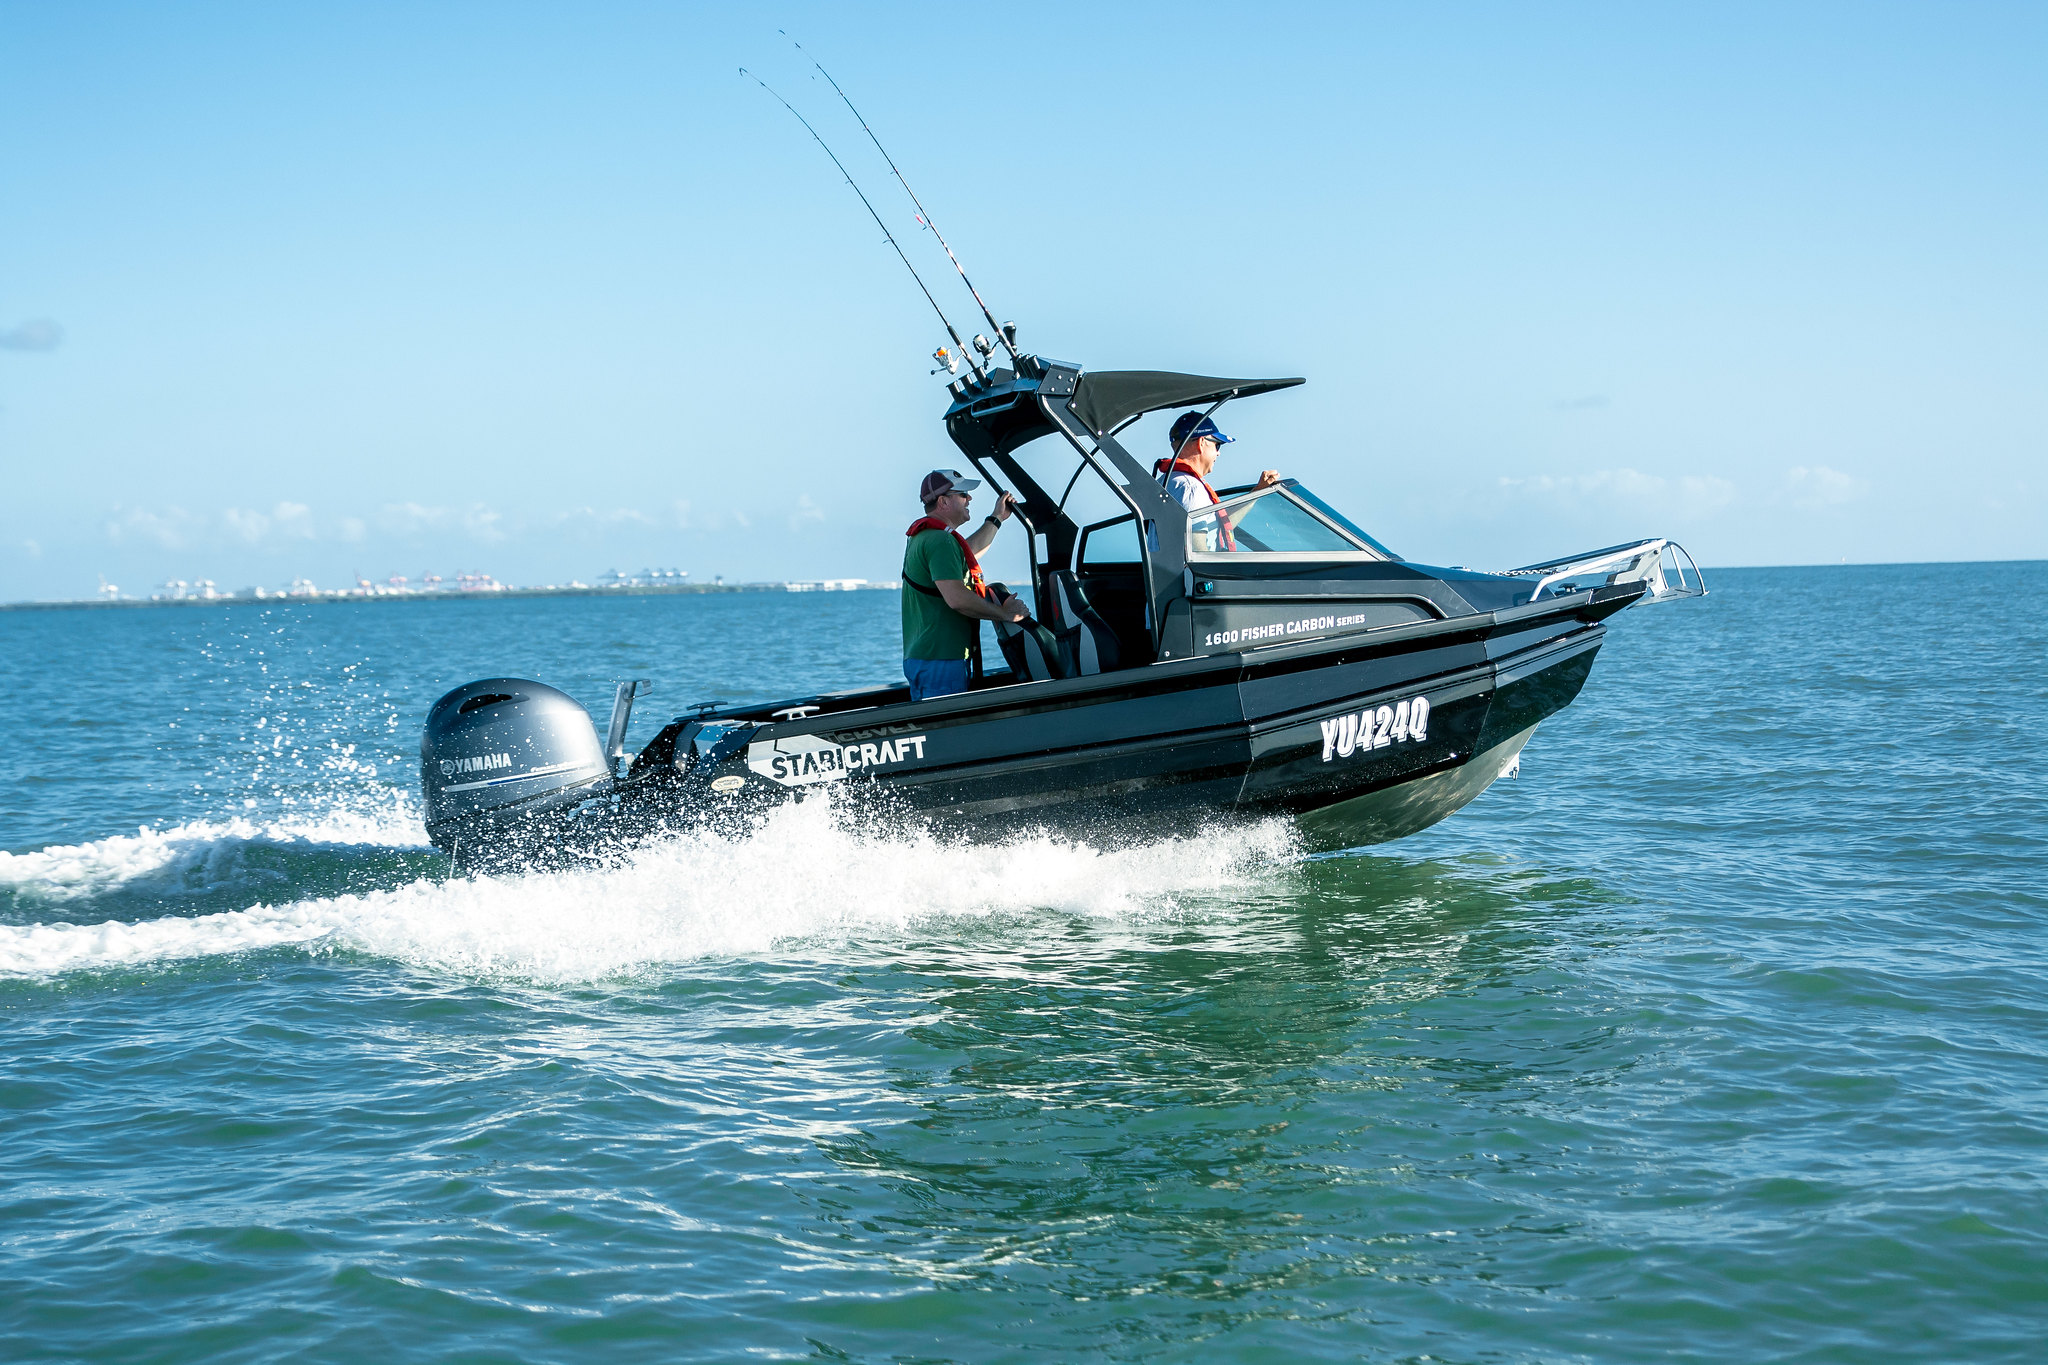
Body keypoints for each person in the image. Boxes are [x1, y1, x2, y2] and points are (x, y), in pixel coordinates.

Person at [901, 468, 1030, 701]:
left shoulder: (928, 536)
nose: (969, 498)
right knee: (943, 732)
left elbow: (968, 553)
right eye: (963, 494)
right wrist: (1005, 614)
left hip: (928, 656)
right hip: (941, 659)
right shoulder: (940, 540)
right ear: (943, 501)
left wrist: (997, 517)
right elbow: (957, 599)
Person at [1152, 413, 1281, 552]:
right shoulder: (1190, 488)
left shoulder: (1167, 483)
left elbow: (1217, 525)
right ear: (1202, 443)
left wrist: (1258, 492)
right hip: (1192, 574)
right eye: (1217, 445)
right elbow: (1197, 552)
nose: (1218, 453)